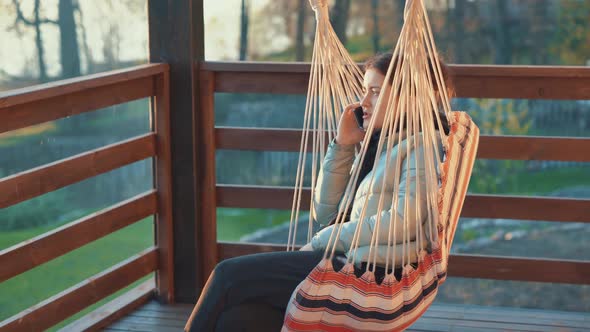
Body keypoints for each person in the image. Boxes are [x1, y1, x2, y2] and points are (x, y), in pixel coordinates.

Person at [185, 52, 452, 332]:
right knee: (239, 320)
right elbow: (325, 212)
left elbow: (402, 222)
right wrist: (343, 145)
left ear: (411, 96)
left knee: (226, 275)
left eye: (375, 92)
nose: (363, 103)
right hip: (344, 261)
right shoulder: (380, 147)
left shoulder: (423, 146)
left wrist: (326, 240)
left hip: (365, 272)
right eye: (364, 91)